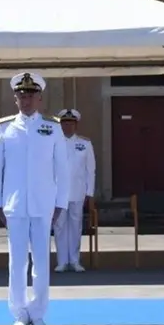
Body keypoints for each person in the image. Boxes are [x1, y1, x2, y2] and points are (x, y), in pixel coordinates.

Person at [0, 72, 69, 325]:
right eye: (22, 96)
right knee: (17, 262)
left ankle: (39, 313)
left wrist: (61, 203)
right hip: (14, 205)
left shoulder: (53, 127)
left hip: (44, 204)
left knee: (42, 262)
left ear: (40, 98)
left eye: (31, 95)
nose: (26, 100)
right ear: (15, 98)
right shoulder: (4, 127)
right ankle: (20, 314)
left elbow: (62, 168)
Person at [54, 108, 95, 273]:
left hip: (78, 191)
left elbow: (90, 170)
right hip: (58, 193)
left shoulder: (85, 144)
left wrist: (89, 192)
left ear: (76, 125)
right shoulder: (54, 143)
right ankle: (62, 261)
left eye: (71, 123)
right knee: (59, 226)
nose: (67, 126)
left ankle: (75, 260)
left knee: (76, 226)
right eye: (64, 123)